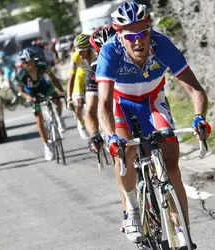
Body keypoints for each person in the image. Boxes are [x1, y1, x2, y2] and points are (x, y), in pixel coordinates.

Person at [96, 2, 211, 245]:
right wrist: (111, 136)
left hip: (153, 101)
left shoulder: (161, 44)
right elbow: (104, 103)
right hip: (121, 104)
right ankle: (132, 210)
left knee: (171, 167)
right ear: (119, 35)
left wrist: (199, 117)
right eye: (132, 36)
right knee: (125, 151)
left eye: (143, 33)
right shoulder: (110, 51)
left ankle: (182, 232)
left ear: (149, 29)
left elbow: (195, 90)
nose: (139, 41)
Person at [83, 25, 130, 231]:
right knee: (120, 159)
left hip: (133, 109)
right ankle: (128, 211)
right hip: (112, 116)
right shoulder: (93, 71)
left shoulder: (131, 58)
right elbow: (91, 111)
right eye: (101, 51)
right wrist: (94, 133)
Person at [16, 48, 66, 161]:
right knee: (38, 117)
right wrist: (30, 98)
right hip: (31, 93)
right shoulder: (21, 74)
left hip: (44, 87)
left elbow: (53, 79)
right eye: (28, 63)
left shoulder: (43, 64)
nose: (31, 65)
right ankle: (47, 146)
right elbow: (21, 92)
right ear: (23, 64)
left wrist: (62, 92)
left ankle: (59, 117)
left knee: (56, 97)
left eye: (32, 61)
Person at [66, 34, 95, 140]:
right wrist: (69, 98)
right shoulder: (75, 57)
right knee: (79, 104)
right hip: (80, 79)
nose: (79, 53)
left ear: (88, 49)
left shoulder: (95, 54)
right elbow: (71, 78)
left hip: (94, 77)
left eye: (81, 51)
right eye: (77, 51)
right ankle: (81, 123)